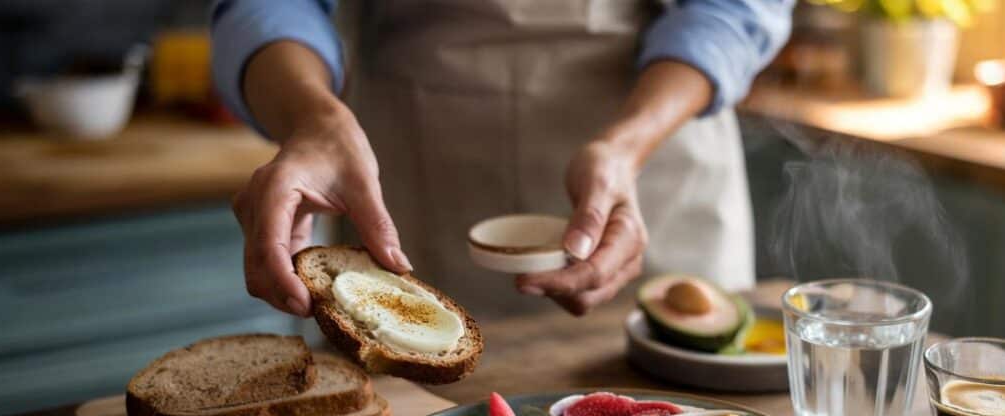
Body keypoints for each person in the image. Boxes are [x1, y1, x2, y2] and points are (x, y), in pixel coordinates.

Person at [212, 0, 793, 317]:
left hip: (651, 154)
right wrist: (312, 119)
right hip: (414, 171)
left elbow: (733, 10)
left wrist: (627, 145)